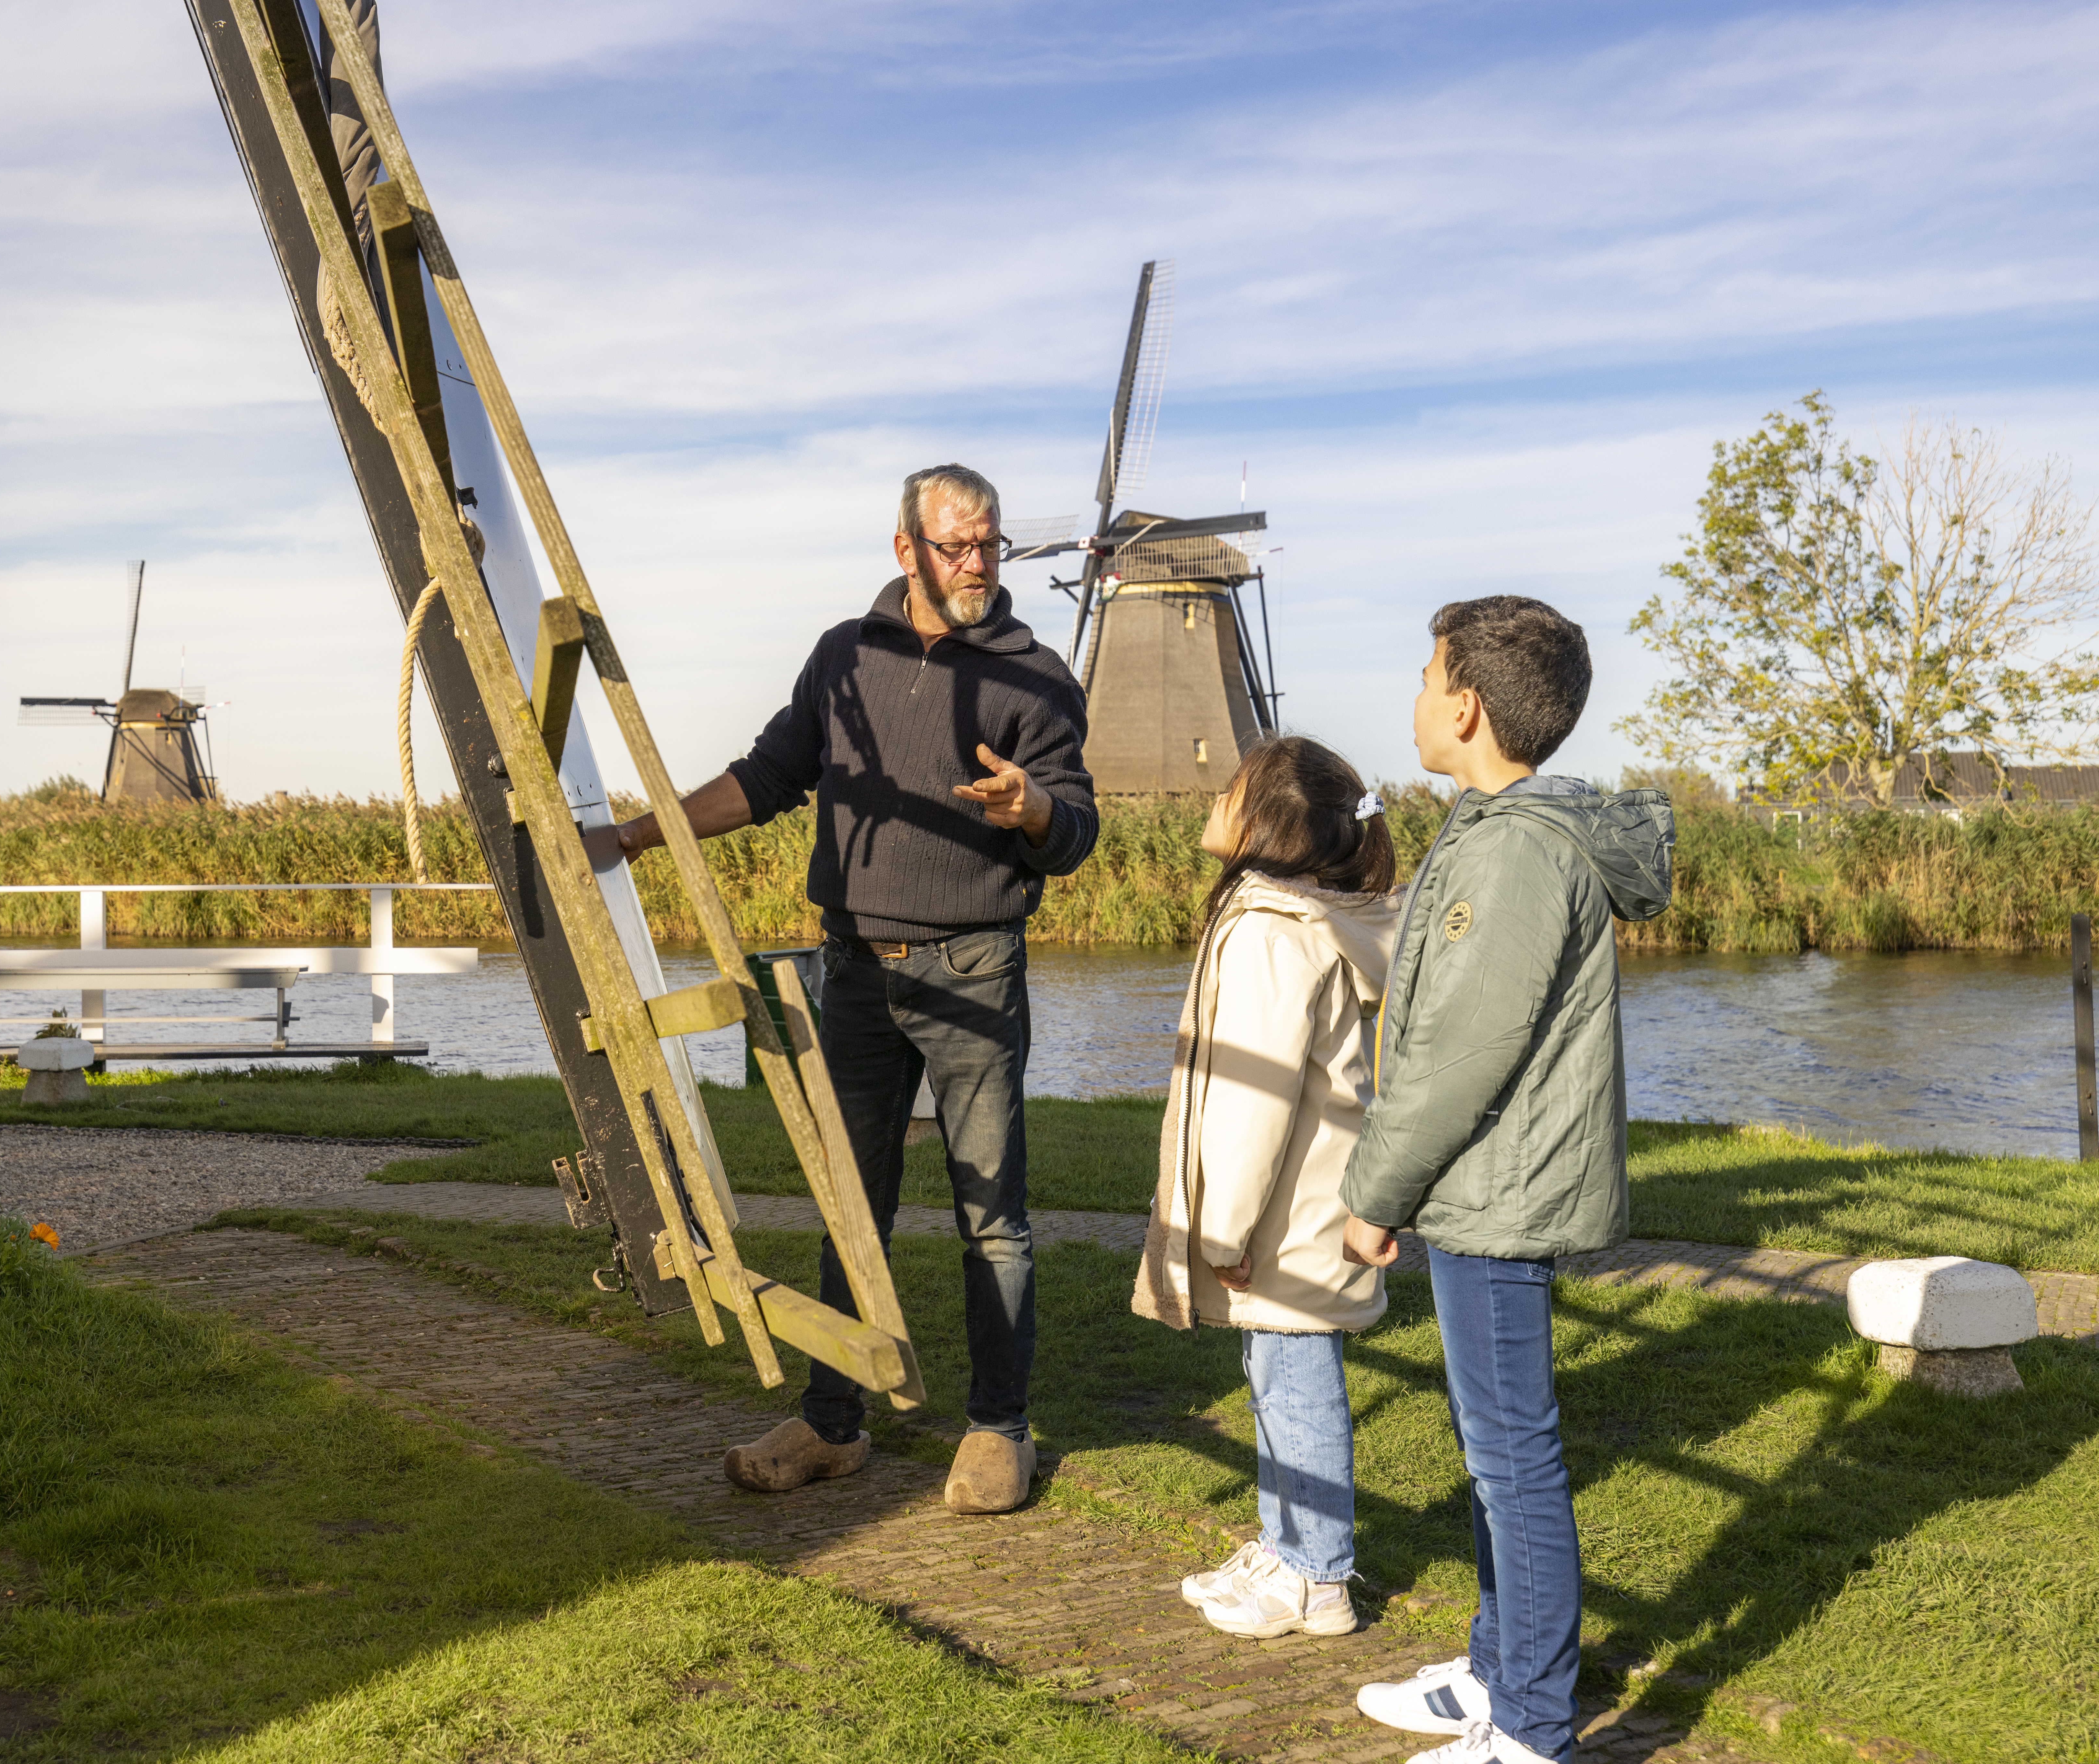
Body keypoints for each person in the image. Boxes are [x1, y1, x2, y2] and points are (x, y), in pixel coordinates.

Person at [613, 462, 1095, 1515]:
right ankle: (834, 1426)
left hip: (974, 968)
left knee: (992, 1214)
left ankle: (999, 1430)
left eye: (991, 544)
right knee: (850, 1204)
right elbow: (766, 777)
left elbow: (1075, 830)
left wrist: (1031, 811)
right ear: (906, 550)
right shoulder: (845, 656)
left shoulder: (1036, 675)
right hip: (854, 972)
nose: (977, 564)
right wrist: (636, 835)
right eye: (956, 546)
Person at [1340, 598, 1673, 1764]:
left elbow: (1459, 1053)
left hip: (1499, 1189)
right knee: (1494, 1447)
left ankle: (1530, 1724)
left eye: (1429, 677)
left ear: (1469, 706)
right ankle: (1495, 1674)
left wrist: (1373, 1194)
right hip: (1487, 1183)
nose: (1417, 698)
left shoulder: (1517, 850)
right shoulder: (1496, 828)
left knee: (1513, 1456)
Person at [1131, 735, 1400, 1640]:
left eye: (1231, 788)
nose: (1215, 798)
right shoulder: (1297, 917)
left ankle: (1317, 1576)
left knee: (1294, 1382)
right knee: (1276, 1375)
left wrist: (1222, 1231)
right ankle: (1285, 1544)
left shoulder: (1271, 934)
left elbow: (1258, 1098)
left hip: (1286, 1213)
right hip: (1304, 1203)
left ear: (1267, 821)